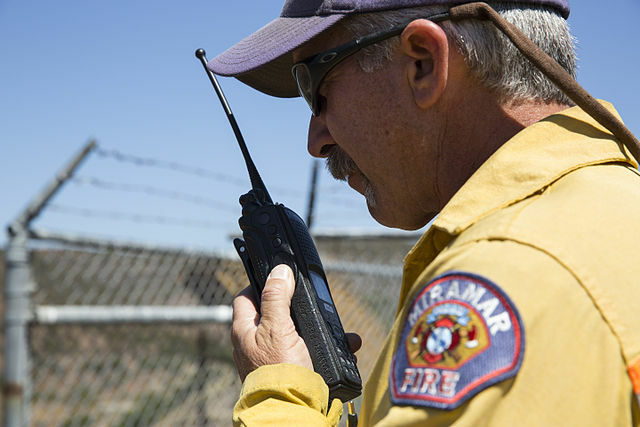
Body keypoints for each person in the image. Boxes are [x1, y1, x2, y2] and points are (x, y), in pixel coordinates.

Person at [208, 0, 640, 425]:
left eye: (315, 87)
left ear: (424, 64)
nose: (316, 140)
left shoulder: (510, 273)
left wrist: (279, 397)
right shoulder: (616, 204)